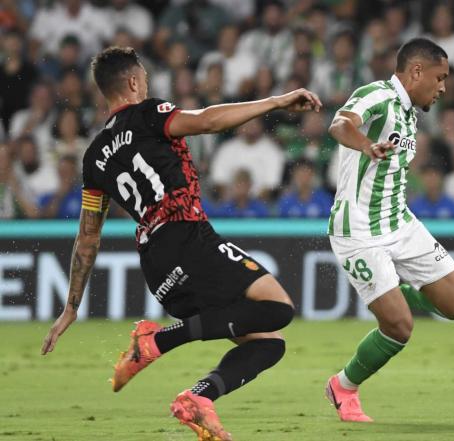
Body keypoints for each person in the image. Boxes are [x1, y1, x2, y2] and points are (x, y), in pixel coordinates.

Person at [40, 47, 322, 441]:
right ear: (134, 82)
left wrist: (71, 307)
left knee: (268, 344)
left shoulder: (93, 160)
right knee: (278, 309)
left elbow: (88, 236)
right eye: (146, 80)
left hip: (157, 268)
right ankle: (157, 340)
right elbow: (207, 121)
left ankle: (197, 399)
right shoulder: (149, 114)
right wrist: (277, 101)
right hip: (187, 238)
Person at [325, 38, 454, 423]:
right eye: (440, 78)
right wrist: (365, 145)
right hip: (357, 229)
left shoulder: (410, 114)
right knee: (400, 327)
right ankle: (344, 386)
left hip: (399, 222)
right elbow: (339, 124)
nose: (443, 88)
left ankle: (397, 291)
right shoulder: (377, 95)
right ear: (416, 71)